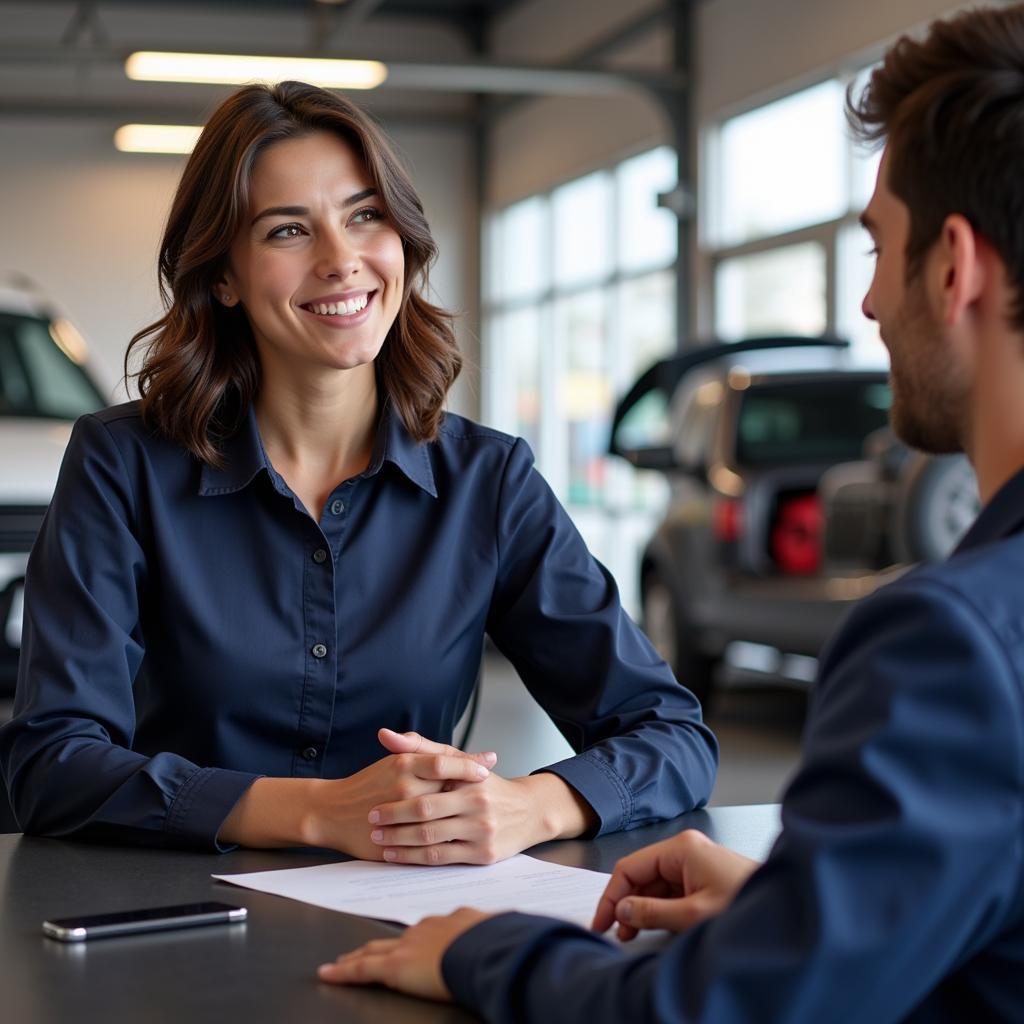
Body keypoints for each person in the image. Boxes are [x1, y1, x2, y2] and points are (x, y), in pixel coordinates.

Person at [317, 4, 1024, 1020]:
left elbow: (708, 1012)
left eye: (875, 248)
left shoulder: (955, 644)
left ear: (952, 265)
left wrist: (486, 949)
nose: (867, 304)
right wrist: (801, 912)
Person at [0, 82, 718, 858]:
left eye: (365, 215)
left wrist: (532, 807)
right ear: (224, 276)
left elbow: (672, 734)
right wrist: (315, 812)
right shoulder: (121, 466)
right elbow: (53, 765)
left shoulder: (489, 481)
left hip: (413, 920)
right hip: (170, 922)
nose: (342, 261)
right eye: (286, 231)